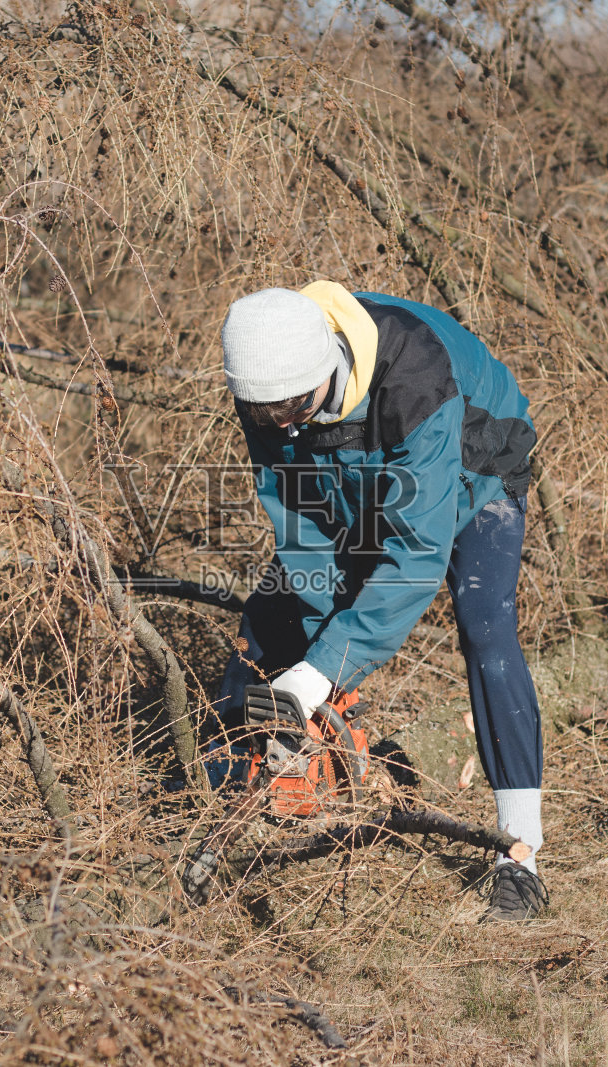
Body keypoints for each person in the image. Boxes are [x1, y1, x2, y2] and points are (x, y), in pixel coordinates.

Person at [212, 281, 549, 922]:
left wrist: (319, 672)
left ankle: (520, 854)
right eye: (263, 414)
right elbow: (305, 535)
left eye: (290, 407)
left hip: (480, 461)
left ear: (327, 369)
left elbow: (414, 560)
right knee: (279, 613)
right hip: (367, 473)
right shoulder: (267, 389)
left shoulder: (414, 376)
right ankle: (254, 783)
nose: (278, 424)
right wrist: (315, 672)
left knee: (484, 624)